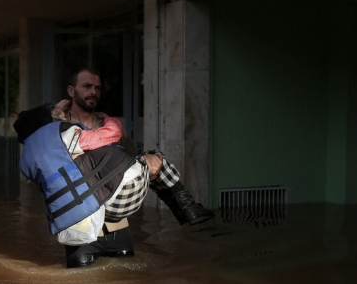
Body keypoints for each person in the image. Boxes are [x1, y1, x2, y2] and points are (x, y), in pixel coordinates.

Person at [13, 68, 215, 268]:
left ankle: (188, 210)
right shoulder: (56, 130)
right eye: (87, 86)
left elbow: (129, 161)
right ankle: (189, 209)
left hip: (117, 225)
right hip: (83, 224)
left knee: (126, 273)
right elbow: (37, 180)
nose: (93, 91)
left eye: (97, 88)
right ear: (71, 91)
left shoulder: (107, 124)